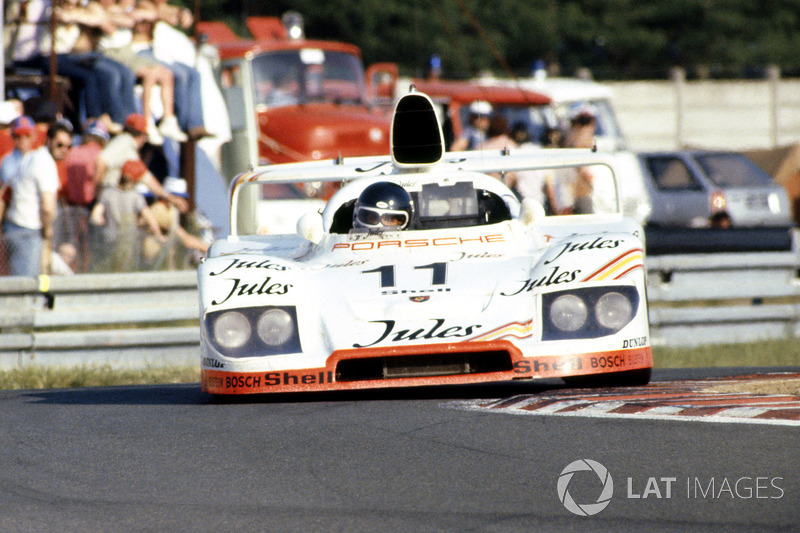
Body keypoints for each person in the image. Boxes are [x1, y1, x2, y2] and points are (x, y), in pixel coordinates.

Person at [95, 0, 186, 145]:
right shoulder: (99, 9)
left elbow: (151, 14)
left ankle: (168, 120)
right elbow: (111, 23)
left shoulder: (127, 9)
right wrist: (129, 16)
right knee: (149, 74)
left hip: (128, 52)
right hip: (113, 54)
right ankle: (147, 121)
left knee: (166, 73)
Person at [0, 116, 59, 276]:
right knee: (26, 282)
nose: (22, 140)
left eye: (26, 135)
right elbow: (3, 198)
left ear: (34, 136)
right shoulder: (8, 162)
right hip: (24, 227)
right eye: (18, 135)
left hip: (32, 226)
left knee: (35, 276)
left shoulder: (36, 159)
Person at [94, 113, 188, 213]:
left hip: (111, 197)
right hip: (108, 194)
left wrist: (171, 198)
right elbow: (101, 160)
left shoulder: (129, 150)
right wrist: (96, 189)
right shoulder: (125, 142)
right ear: (142, 136)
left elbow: (147, 179)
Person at [90, 158, 165, 271]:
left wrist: (101, 221)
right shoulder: (136, 197)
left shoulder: (107, 193)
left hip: (108, 241)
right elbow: (150, 219)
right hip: (128, 243)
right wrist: (159, 236)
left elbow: (95, 217)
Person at [61, 119, 110, 272]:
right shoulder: (103, 155)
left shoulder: (72, 152)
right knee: (89, 250)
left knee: (69, 248)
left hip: (69, 207)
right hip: (91, 208)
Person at [562, 104, 598, 214]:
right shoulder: (582, 139)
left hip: (569, 192)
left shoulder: (570, 137)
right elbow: (582, 169)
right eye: (585, 121)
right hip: (580, 192)